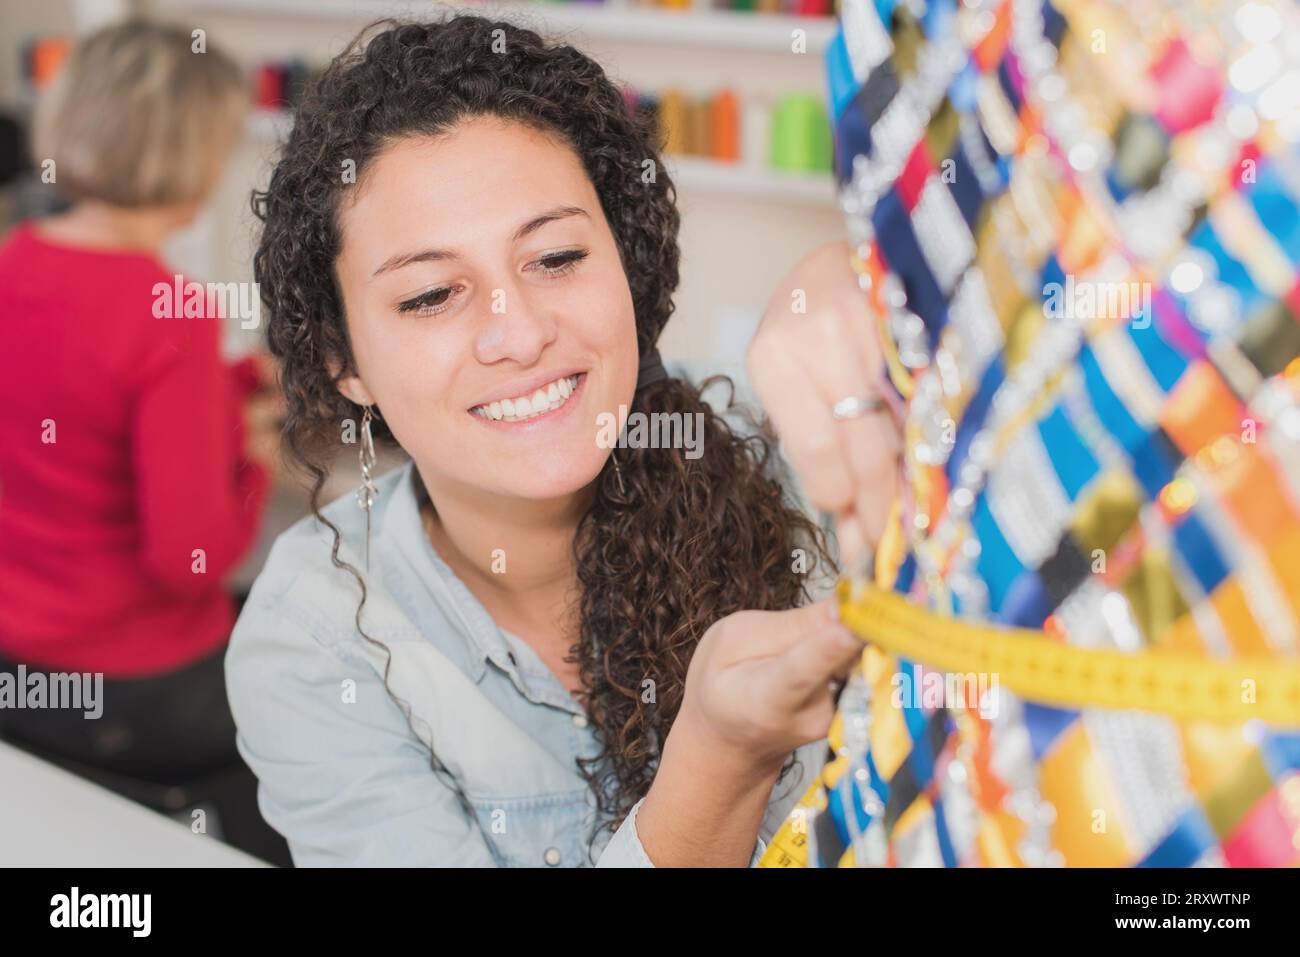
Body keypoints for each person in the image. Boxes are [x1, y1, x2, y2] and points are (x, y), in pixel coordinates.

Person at [226, 16, 870, 867]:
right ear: (345, 362)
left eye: (557, 255)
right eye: (429, 296)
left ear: (625, 261)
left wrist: (871, 286)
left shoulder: (801, 440)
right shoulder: (313, 639)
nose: (518, 333)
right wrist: (718, 762)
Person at [0, 20, 285, 864]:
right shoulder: (173, 315)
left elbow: (59, 412)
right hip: (140, 690)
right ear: (194, 161)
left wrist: (224, 394)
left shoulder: (13, 263)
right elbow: (190, 557)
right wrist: (254, 461)